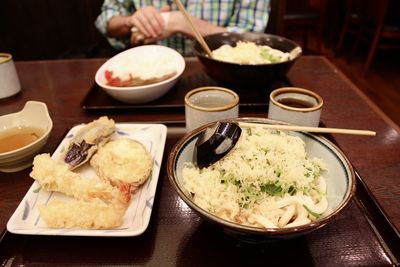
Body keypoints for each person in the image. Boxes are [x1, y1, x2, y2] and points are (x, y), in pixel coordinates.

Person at [95, 0, 271, 56]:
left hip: (220, 77)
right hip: (146, 73)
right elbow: (107, 20)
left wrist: (181, 23)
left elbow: (250, 40)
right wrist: (131, 21)